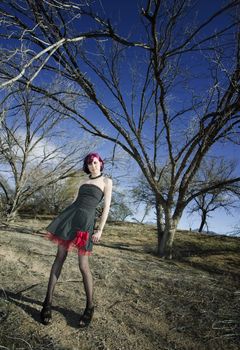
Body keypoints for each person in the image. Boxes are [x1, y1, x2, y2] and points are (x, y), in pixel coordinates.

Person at [40, 152, 112, 327]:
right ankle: (47, 303)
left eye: (95, 162)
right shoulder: (82, 181)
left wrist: (99, 230)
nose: (92, 166)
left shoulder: (106, 182)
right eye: (89, 163)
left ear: (100, 163)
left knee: (83, 266)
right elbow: (74, 201)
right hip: (70, 219)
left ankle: (89, 307)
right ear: (86, 166)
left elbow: (106, 207)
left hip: (86, 224)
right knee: (60, 258)